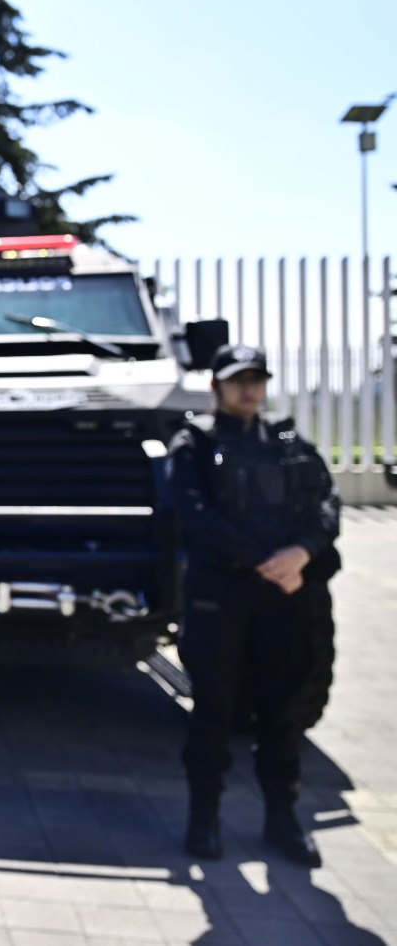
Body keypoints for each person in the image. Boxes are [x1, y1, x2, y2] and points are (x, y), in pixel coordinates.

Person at [168, 343, 340, 866]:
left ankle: (282, 818)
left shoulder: (287, 441)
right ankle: (203, 819)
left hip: (284, 595)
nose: (249, 389)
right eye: (238, 379)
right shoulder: (195, 443)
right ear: (216, 385)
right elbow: (193, 514)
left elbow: (326, 502)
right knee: (213, 709)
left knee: (282, 711)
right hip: (222, 595)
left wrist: (302, 552)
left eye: (256, 379)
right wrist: (267, 560)